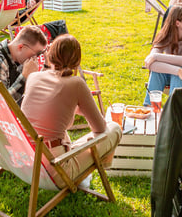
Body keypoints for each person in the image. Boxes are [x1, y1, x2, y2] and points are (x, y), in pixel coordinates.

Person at [22, 35, 122, 179]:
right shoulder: (76, 84)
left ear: (50, 56)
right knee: (114, 128)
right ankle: (95, 170)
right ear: (77, 62)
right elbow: (100, 129)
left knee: (58, 131)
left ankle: (83, 167)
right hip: (56, 170)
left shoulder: (33, 77)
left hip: (29, 160)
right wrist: (81, 110)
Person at [143, 4, 182, 104]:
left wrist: (155, 56)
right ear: (177, 23)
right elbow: (151, 64)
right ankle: (150, 110)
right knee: (158, 71)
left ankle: (173, 113)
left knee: (180, 74)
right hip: (176, 72)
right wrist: (177, 70)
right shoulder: (165, 34)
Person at [0, 25, 47, 104]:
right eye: (36, 54)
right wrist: (24, 77)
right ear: (21, 47)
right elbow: (0, 104)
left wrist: (47, 65)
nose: (35, 58)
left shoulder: (15, 56)